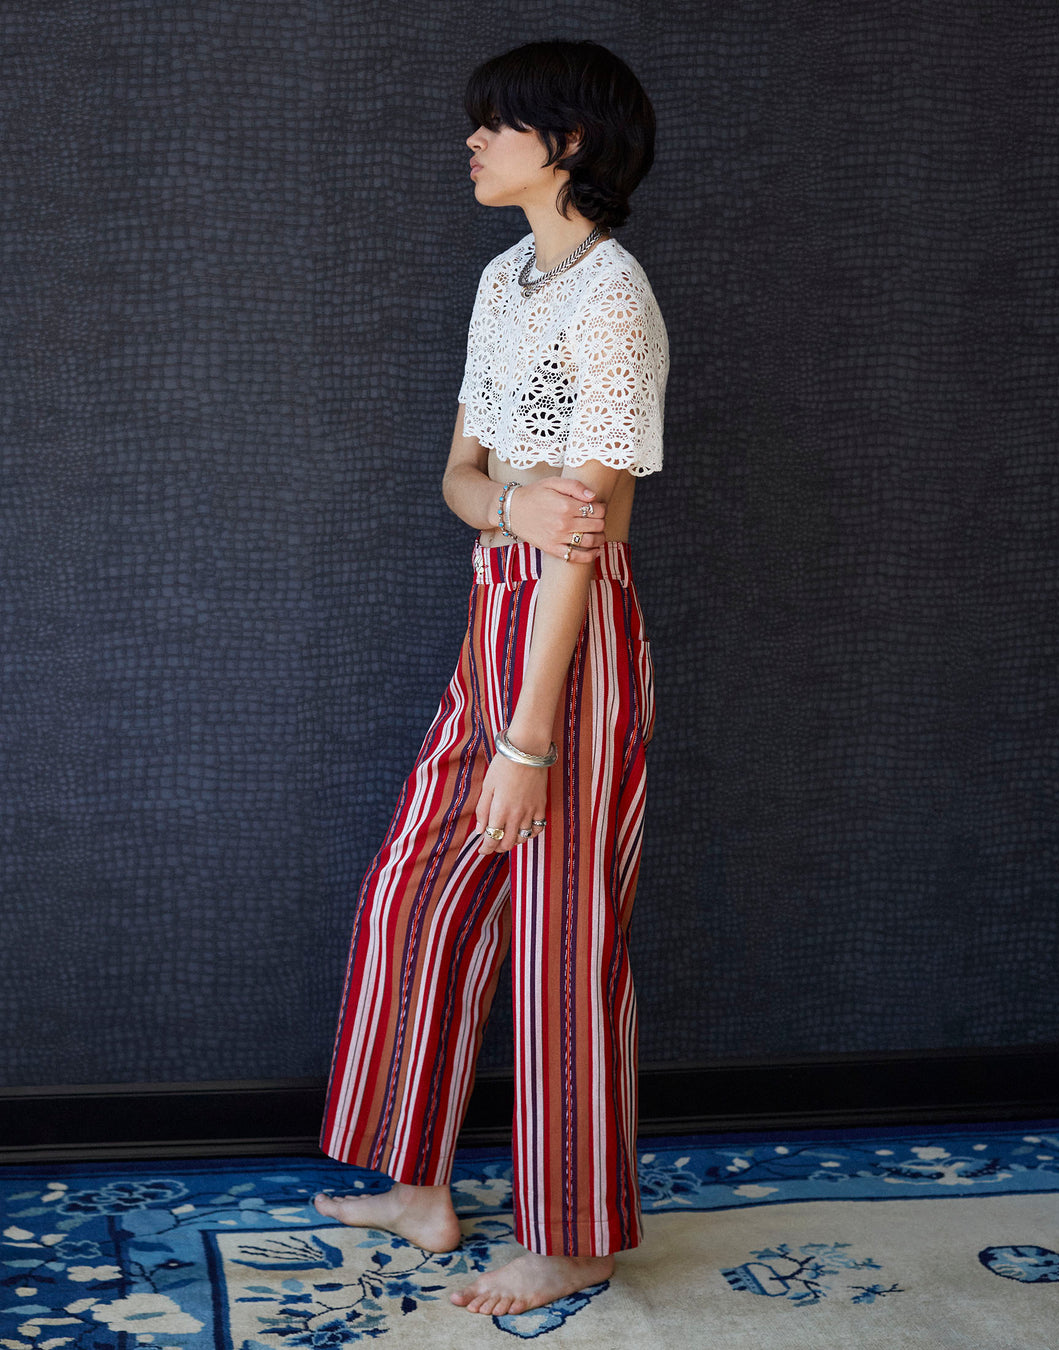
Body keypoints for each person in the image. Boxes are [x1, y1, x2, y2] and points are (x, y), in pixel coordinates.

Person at [314, 38, 668, 1317]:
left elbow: (588, 536)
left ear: (564, 143)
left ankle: (572, 1233)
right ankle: (418, 1182)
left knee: (561, 935)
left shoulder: (614, 300)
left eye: (496, 125)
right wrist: (515, 496)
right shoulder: (504, 281)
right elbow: (461, 480)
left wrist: (526, 743)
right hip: (493, 614)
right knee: (413, 885)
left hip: (570, 643)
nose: (473, 142)